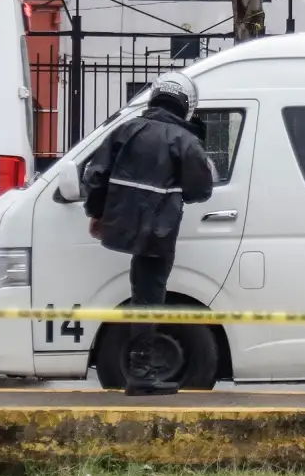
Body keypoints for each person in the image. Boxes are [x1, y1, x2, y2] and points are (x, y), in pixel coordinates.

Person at [83, 71, 215, 397]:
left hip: (123, 226)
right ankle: (141, 371)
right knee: (148, 298)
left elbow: (95, 175)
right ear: (184, 105)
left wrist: (97, 214)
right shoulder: (185, 141)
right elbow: (201, 191)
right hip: (159, 234)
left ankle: (140, 367)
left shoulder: (127, 130)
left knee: (141, 295)